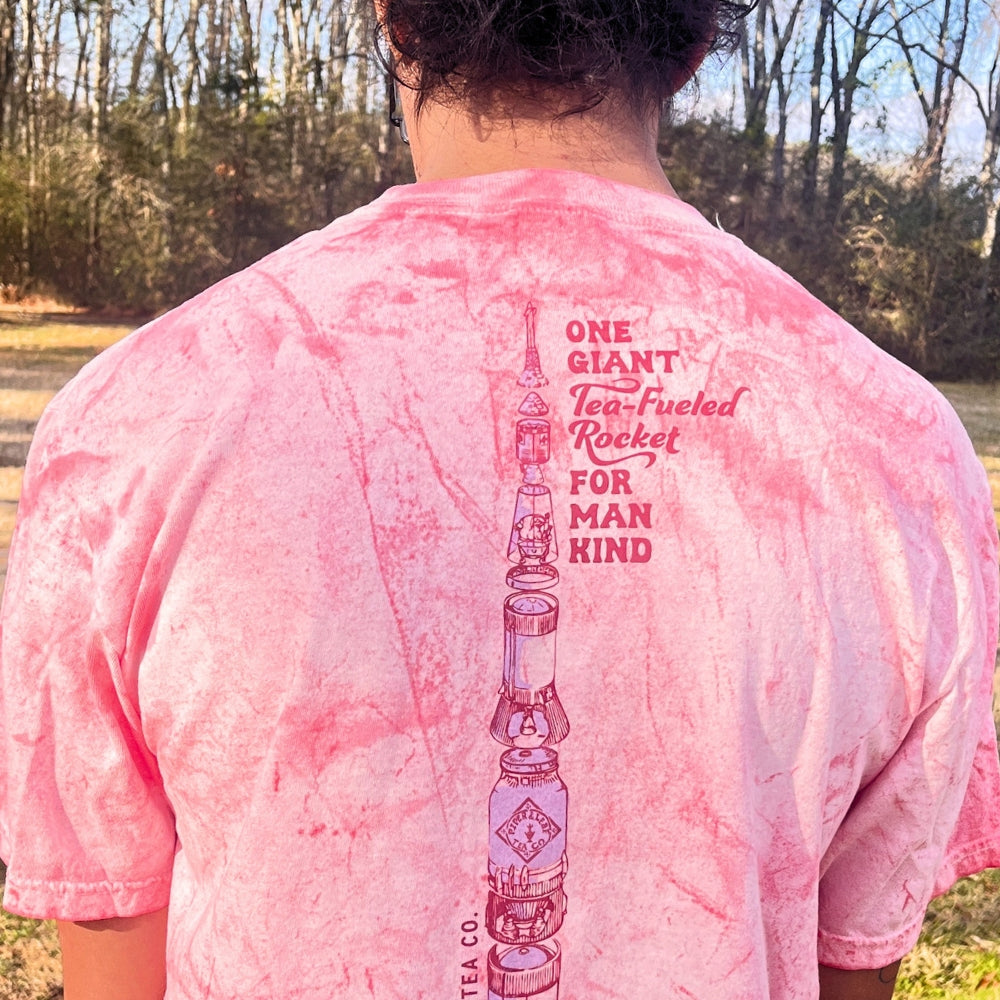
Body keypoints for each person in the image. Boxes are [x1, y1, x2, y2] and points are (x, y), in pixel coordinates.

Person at [2, 0, 999, 998]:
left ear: (391, 18)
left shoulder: (132, 423)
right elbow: (851, 962)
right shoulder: (901, 452)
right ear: (695, 44)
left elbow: (112, 932)